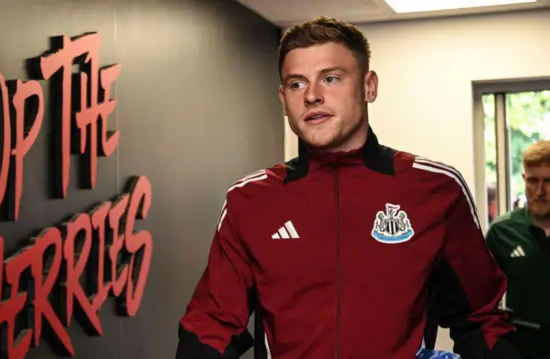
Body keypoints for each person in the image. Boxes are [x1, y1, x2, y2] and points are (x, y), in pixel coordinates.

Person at [176, 17, 520, 359]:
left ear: (369, 86)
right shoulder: (250, 200)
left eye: (330, 79)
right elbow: (211, 324)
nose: (312, 96)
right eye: (296, 84)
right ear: (283, 100)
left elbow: (481, 320)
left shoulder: (436, 188)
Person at [487, 140, 550, 359]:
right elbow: (482, 303)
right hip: (523, 350)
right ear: (524, 179)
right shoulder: (502, 232)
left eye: (548, 181)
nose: (540, 191)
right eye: (533, 181)